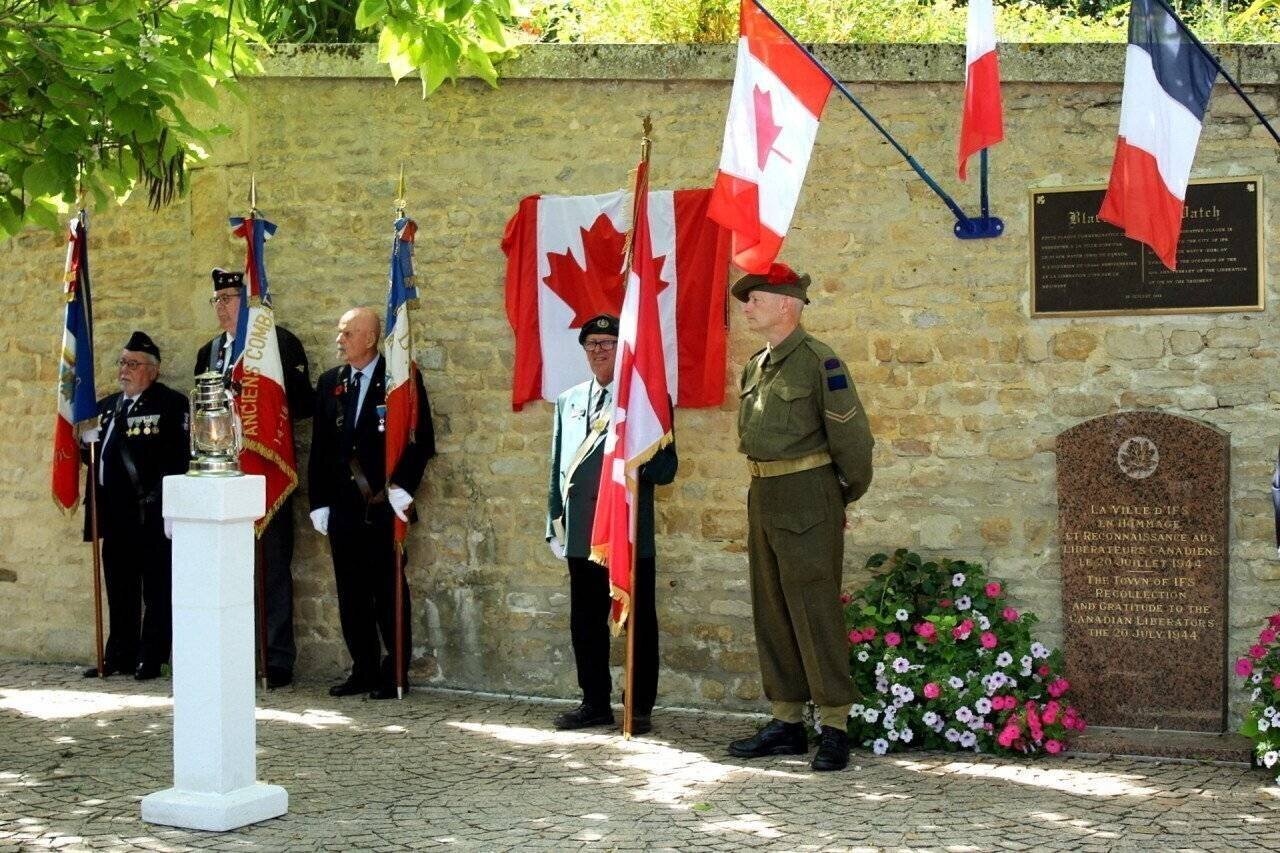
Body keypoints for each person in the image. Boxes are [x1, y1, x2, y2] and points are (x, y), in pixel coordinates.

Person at [727, 264, 874, 772]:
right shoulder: (756, 364)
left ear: (787, 305)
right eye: (745, 301)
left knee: (814, 609)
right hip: (763, 492)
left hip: (809, 494)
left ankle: (834, 724)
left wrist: (838, 499)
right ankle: (787, 721)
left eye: (755, 300)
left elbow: (853, 441)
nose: (746, 308)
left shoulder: (819, 362)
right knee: (771, 608)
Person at [546, 314, 677, 735]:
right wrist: (555, 520)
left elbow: (667, 469)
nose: (600, 349)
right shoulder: (569, 400)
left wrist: (638, 439)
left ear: (623, 348)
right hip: (584, 532)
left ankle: (637, 707)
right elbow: (558, 467)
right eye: (592, 343)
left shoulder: (644, 402)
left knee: (639, 621)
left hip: (627, 534)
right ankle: (594, 703)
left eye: (608, 342)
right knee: (585, 620)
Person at [308, 306, 435, 700]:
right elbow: (321, 450)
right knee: (351, 593)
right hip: (344, 508)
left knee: (388, 591)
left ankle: (395, 671)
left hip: (384, 504)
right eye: (340, 333)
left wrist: (403, 487)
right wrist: (319, 501)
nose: (339, 340)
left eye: (347, 333)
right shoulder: (331, 382)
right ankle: (362, 668)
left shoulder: (399, 378)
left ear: (370, 337)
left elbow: (421, 438)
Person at [195, 268, 313, 689]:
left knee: (272, 566)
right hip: (223, 472)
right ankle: (234, 654)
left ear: (247, 303)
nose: (224, 307)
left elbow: (301, 404)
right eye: (219, 300)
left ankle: (276, 657)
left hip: (265, 469)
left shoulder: (277, 342)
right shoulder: (209, 353)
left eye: (230, 298)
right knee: (226, 567)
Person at [82, 331, 190, 680]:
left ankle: (152, 657)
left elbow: (178, 459)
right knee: (120, 587)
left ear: (153, 370)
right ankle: (120, 654)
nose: (124, 370)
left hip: (149, 512)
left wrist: (163, 503)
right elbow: (93, 458)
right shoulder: (107, 407)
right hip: (112, 514)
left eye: (133, 364)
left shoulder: (170, 405)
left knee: (157, 590)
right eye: (122, 363)